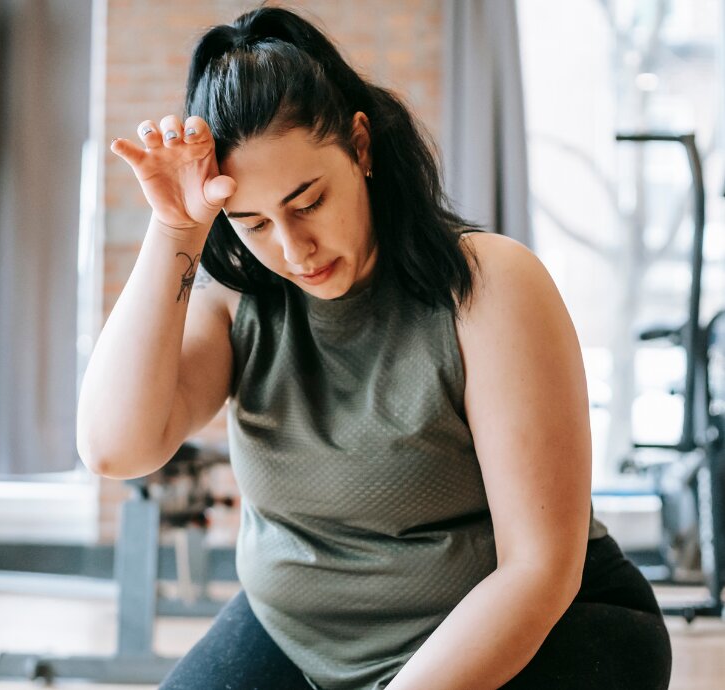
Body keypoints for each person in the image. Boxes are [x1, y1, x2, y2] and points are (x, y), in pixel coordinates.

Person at [76, 6, 673, 690]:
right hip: (303, 638)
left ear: (360, 148)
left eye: (307, 201)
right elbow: (114, 448)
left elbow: (538, 569)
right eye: (253, 223)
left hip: (543, 629)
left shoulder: (488, 286)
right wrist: (175, 229)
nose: (292, 249)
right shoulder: (237, 304)